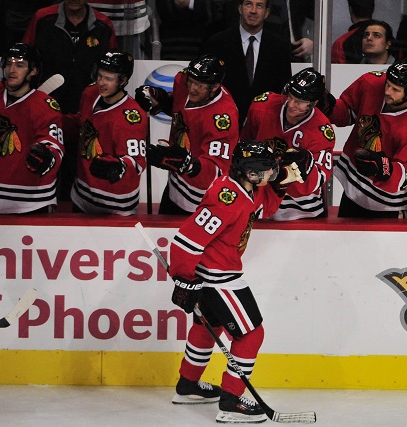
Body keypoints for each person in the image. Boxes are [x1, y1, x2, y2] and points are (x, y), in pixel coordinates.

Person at [167, 139, 301, 423]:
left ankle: (188, 385)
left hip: (218, 273)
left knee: (208, 327)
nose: (273, 172)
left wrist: (280, 185)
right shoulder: (226, 199)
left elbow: (262, 210)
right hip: (219, 278)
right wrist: (183, 279)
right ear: (251, 174)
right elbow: (185, 241)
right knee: (252, 334)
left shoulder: (245, 189)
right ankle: (231, 403)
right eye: (268, 170)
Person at [22, 0, 118, 201]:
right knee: (43, 170)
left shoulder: (103, 25)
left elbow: (113, 74)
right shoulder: (43, 18)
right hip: (46, 113)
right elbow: (25, 61)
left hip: (87, 115)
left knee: (81, 178)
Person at [134, 54, 240, 215]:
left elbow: (216, 169)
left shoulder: (223, 119)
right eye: (191, 81)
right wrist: (161, 100)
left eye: (199, 85)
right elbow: (183, 112)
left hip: (200, 200)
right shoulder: (182, 80)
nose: (191, 88)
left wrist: (187, 164)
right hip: (174, 185)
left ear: (215, 87)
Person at [329, 60, 407, 218]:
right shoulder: (371, 83)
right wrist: (329, 106)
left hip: (387, 205)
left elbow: (406, 174)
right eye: (388, 84)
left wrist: (383, 168)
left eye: (396, 89)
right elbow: (347, 112)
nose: (388, 91)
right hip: (354, 191)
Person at [0, 43, 65, 214]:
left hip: (31, 204)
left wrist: (47, 156)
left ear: (33, 71)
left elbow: (54, 146)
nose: (11, 70)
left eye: (20, 65)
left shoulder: (45, 106)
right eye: (8, 63)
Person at [240, 68, 336, 220]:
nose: (291, 104)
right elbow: (243, 145)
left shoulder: (322, 130)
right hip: (260, 199)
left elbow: (320, 178)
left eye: (299, 102)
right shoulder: (262, 107)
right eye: (290, 97)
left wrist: (307, 168)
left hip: (301, 210)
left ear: (313, 103)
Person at [67, 51, 148, 215]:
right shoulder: (90, 93)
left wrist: (119, 167)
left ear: (123, 81)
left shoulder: (132, 118)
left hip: (116, 204)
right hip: (81, 196)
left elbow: (137, 162)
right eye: (99, 76)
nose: (101, 83)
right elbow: (80, 122)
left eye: (108, 79)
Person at [202, 0, 292, 126]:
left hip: (265, 125)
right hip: (223, 123)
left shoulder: (279, 46)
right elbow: (208, 88)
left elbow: (283, 90)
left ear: (267, 13)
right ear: (240, 8)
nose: (253, 10)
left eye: (259, 6)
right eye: (248, 4)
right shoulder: (217, 43)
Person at [331, 0, 375, 64]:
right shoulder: (386, 37)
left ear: (351, 10)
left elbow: (337, 71)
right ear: (373, 9)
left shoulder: (341, 43)